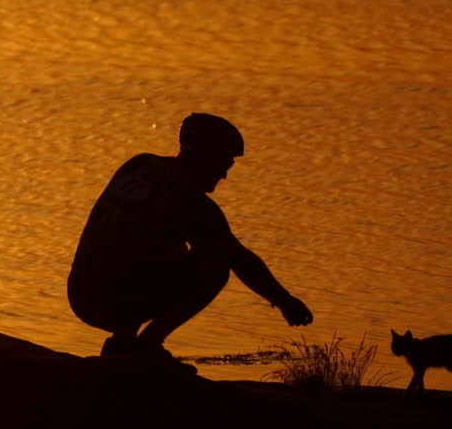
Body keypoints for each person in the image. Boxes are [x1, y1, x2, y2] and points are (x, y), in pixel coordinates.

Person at [67, 112, 313, 371]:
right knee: (214, 266)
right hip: (113, 299)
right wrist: (285, 300)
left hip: (81, 293)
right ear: (202, 156)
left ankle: (124, 342)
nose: (224, 176)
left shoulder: (140, 165)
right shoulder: (193, 204)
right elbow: (239, 258)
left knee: (157, 247)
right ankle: (146, 345)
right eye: (223, 164)